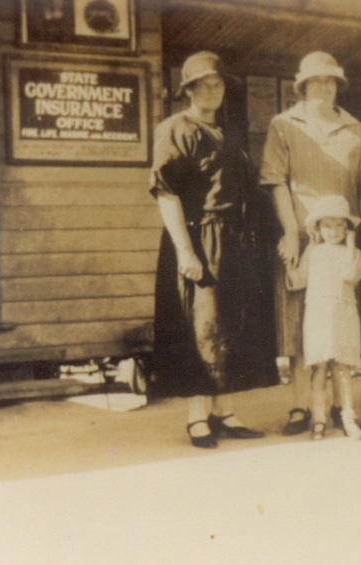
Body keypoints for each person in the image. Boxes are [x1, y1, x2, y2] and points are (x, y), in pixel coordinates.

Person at [149, 51, 278, 448]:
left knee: (227, 327)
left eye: (217, 83)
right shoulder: (175, 128)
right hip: (198, 239)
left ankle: (222, 411)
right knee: (198, 327)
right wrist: (185, 252)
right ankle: (196, 417)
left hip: (234, 242)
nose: (211, 90)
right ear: (188, 90)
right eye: (202, 84)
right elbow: (166, 194)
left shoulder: (229, 133)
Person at [261, 52, 361, 436]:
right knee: (301, 326)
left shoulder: (355, 128)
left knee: (342, 324)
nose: (322, 88)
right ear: (301, 87)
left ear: (338, 86)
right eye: (314, 82)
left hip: (342, 241)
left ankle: (340, 407)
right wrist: (289, 232)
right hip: (304, 242)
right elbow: (275, 180)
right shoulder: (283, 124)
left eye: (329, 82)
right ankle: (301, 406)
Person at [288, 195, 361, 440]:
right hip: (318, 316)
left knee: (342, 367)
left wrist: (352, 244)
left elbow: (349, 275)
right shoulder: (313, 252)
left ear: (348, 229)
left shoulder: (352, 253)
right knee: (319, 367)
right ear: (317, 229)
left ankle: (347, 415)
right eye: (328, 226)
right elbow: (297, 281)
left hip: (342, 314)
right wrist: (290, 261)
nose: (334, 231)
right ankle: (319, 418)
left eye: (340, 226)